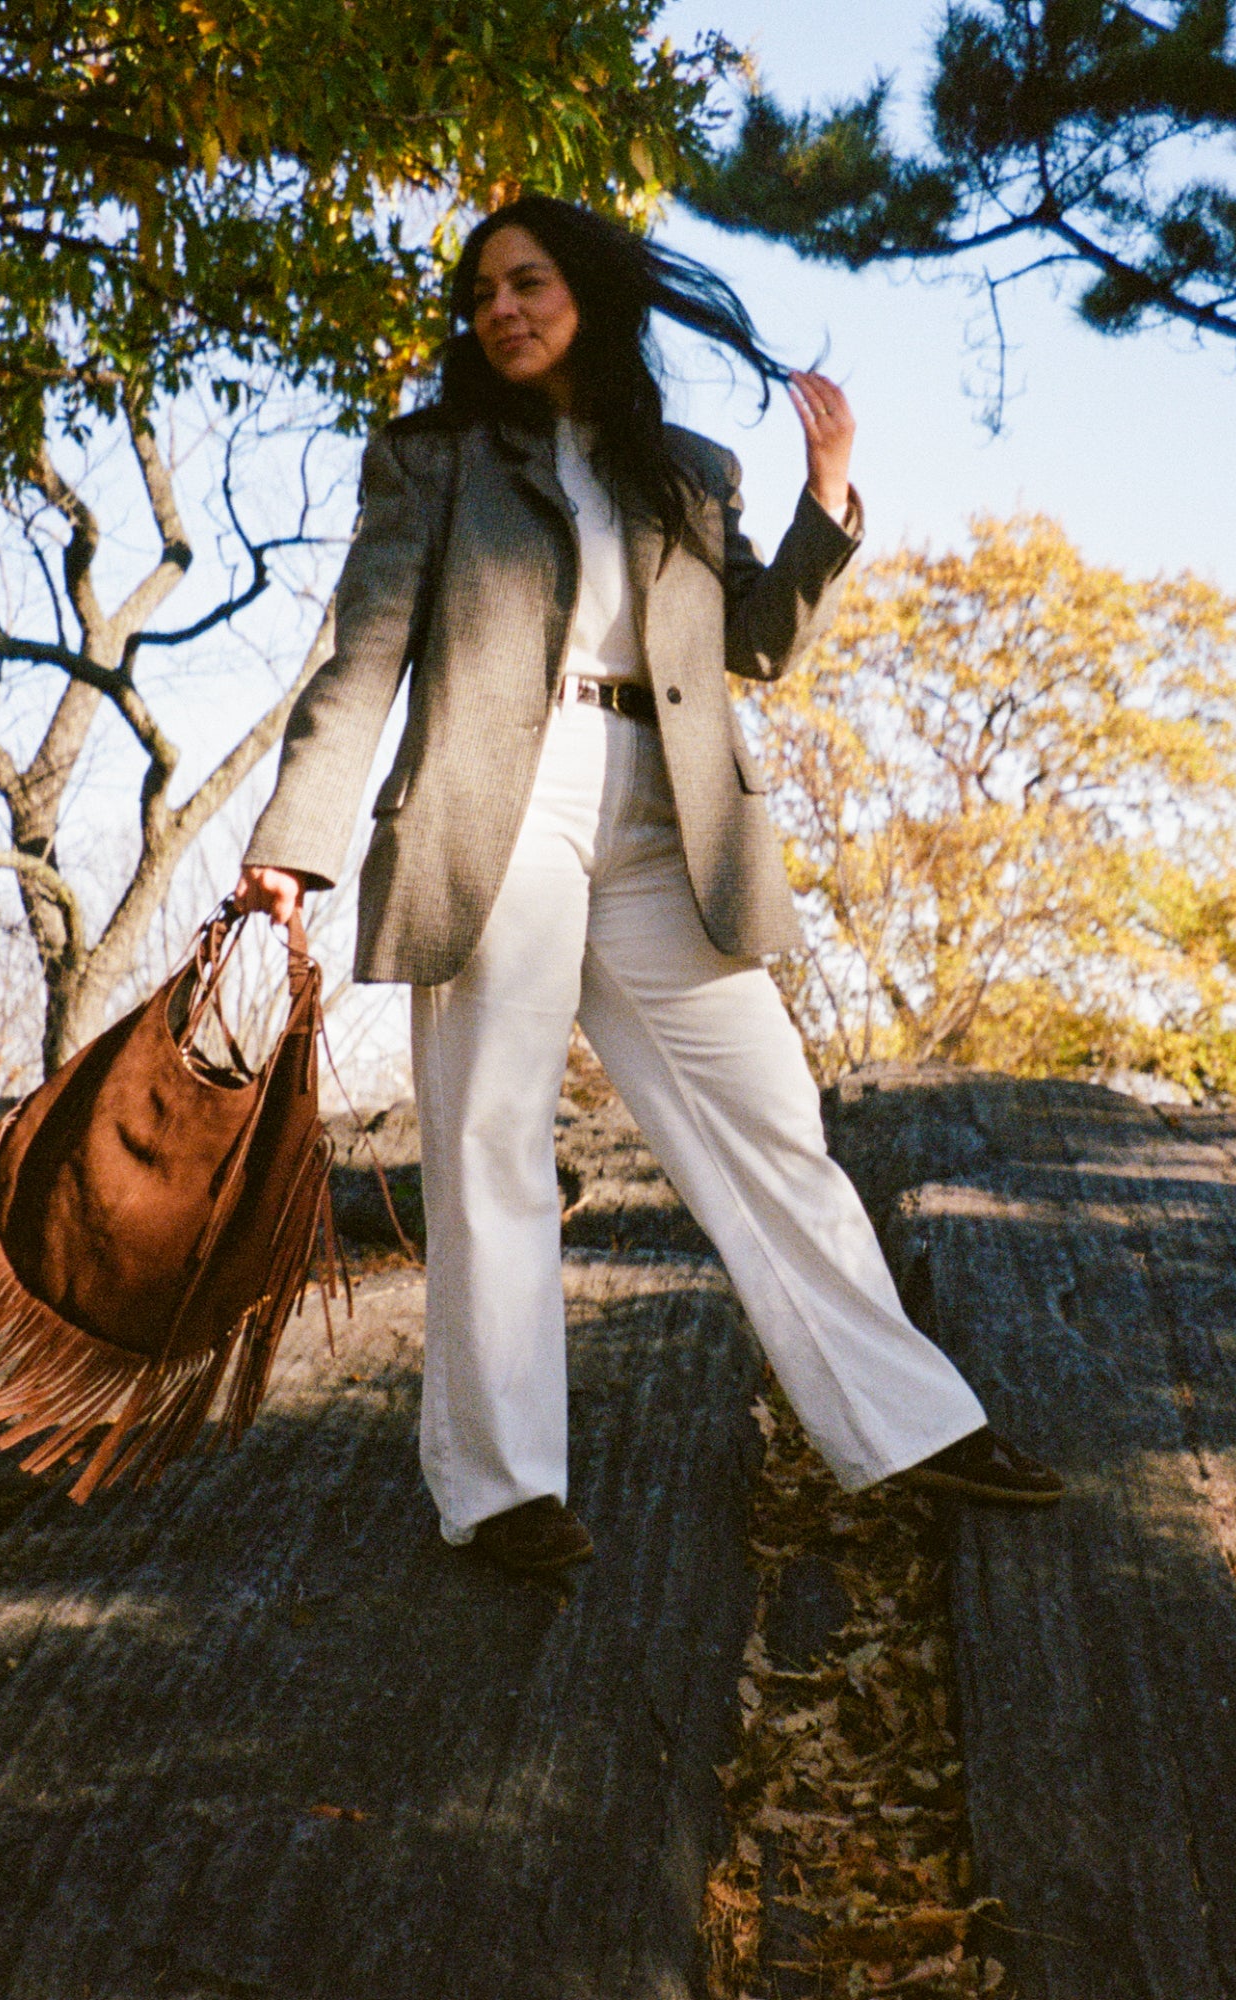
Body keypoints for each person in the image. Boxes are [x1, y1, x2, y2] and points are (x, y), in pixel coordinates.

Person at [234, 195, 1058, 1575]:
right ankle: (503, 1494)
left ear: (593, 296)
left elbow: (755, 643)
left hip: (669, 816)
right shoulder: (432, 460)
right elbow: (361, 653)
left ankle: (908, 1426)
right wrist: (294, 835)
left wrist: (828, 495)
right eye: (482, 291)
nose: (499, 309)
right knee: (493, 1134)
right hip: (500, 806)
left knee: (770, 1118)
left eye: (528, 282)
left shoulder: (687, 468)